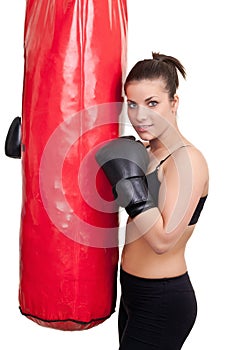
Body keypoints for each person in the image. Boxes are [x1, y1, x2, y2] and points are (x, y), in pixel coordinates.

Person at [96, 52, 209, 349]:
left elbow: (162, 242)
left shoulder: (187, 161)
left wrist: (127, 182)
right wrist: (37, 146)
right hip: (132, 291)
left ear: (174, 103)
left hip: (163, 300)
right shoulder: (144, 152)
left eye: (152, 103)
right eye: (132, 104)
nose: (140, 116)